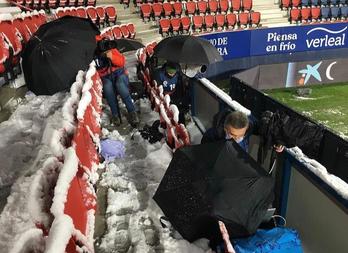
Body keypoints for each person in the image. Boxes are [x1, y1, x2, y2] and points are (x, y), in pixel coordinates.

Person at [95, 39, 139, 127]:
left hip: (119, 73)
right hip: (105, 77)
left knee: (120, 85)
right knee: (107, 87)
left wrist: (112, 57)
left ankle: (132, 111)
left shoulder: (111, 48)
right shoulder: (94, 54)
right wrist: (103, 64)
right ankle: (115, 114)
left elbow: (122, 62)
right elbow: (96, 70)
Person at [201, 110, 284, 153]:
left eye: (241, 135)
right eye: (232, 134)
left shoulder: (250, 126)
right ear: (225, 128)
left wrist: (277, 142)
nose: (236, 139)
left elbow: (265, 129)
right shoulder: (210, 136)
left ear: (247, 128)